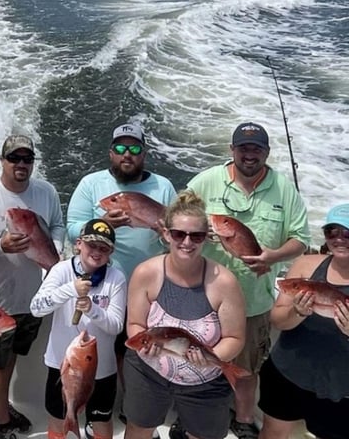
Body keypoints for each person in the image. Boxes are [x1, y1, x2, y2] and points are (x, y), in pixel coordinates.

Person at [186, 122, 310, 439]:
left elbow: (301, 240)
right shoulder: (206, 181)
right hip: (203, 298)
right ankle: (192, 416)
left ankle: (242, 419)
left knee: (246, 370)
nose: (249, 155)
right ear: (232, 150)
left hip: (254, 303)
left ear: (266, 153)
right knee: (196, 362)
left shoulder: (284, 188)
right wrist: (200, 229)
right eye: (243, 148)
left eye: (256, 149)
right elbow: (177, 216)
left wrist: (273, 256)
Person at [66, 122, 176, 436]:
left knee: (142, 352)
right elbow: (73, 228)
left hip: (151, 289)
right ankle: (96, 416)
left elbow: (176, 233)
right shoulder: (91, 184)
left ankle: (136, 414)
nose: (128, 155)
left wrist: (164, 232)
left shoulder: (163, 186)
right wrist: (100, 221)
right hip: (102, 287)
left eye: (135, 148)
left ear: (144, 153)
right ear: (111, 152)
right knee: (100, 355)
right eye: (121, 148)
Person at [0, 135, 66, 439]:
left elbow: (57, 224)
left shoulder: (45, 192)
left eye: (27, 159)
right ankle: (3, 421)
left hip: (34, 299)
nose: (21, 165)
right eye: (14, 158)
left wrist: (55, 250)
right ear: (2, 161)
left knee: (13, 356)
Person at [123, 190, 246, 439]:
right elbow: (135, 324)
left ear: (206, 238)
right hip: (148, 372)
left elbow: (235, 338)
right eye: (179, 234)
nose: (187, 243)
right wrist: (145, 346)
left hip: (205, 381)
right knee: (138, 428)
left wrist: (211, 358)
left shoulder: (225, 282)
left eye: (196, 236)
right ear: (167, 234)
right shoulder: (146, 273)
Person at [256, 203, 349, 439]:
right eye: (332, 232)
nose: (339, 239)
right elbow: (277, 320)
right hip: (288, 373)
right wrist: (296, 312)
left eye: (347, 233)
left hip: (341, 388)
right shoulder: (306, 265)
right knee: (272, 434)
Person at [30, 219, 126, 439]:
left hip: (102, 370)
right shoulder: (61, 271)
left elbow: (116, 325)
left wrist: (93, 310)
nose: (97, 252)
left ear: (111, 252)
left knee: (101, 419)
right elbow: (36, 308)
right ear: (78, 244)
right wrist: (70, 289)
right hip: (62, 366)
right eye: (91, 245)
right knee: (58, 417)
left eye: (103, 248)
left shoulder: (116, 278)